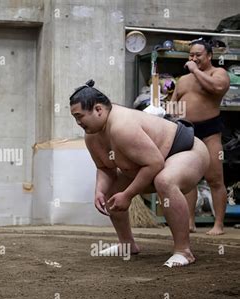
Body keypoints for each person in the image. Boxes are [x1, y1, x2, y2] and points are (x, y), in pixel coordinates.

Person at [70, 80, 210, 267]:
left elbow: (154, 164)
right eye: (75, 118)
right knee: (110, 191)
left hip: (186, 151)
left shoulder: (122, 126)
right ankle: (127, 244)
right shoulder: (92, 136)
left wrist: (128, 195)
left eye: (80, 116)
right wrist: (99, 191)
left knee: (165, 180)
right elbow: (105, 168)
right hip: (153, 164)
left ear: (98, 109)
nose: (78, 122)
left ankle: (183, 251)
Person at [171, 38, 230, 236]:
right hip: (187, 130)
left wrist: (195, 70)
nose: (194, 58)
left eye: (198, 55)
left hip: (210, 131)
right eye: (191, 55)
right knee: (189, 180)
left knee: (215, 178)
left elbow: (218, 88)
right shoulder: (183, 80)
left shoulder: (218, 73)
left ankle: (218, 225)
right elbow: (173, 104)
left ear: (209, 56)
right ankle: (189, 222)